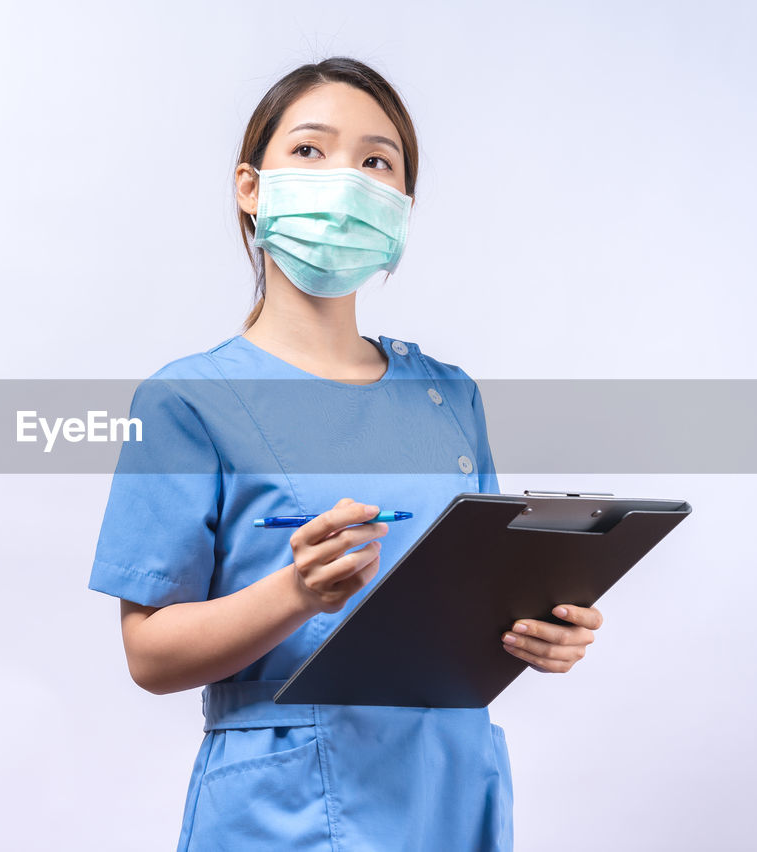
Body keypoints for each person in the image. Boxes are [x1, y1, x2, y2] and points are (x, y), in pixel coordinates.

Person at [88, 56, 604, 851]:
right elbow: (149, 655)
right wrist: (296, 591)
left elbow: (479, 597)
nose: (346, 180)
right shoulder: (187, 401)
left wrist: (541, 632)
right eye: (308, 150)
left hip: (449, 782)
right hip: (283, 799)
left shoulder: (448, 395)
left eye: (376, 161)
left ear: (400, 205)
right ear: (249, 188)